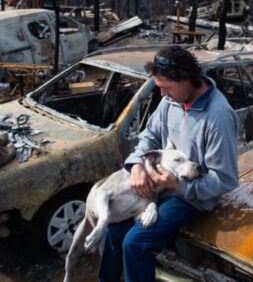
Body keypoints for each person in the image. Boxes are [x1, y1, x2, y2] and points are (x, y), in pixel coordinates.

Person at [98, 45, 239, 282]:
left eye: (166, 88)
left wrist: (178, 186)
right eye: (160, 88)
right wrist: (137, 166)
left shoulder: (218, 116)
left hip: (190, 197)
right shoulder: (171, 101)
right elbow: (148, 137)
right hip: (161, 185)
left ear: (186, 78)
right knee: (112, 232)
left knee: (135, 243)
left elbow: (225, 179)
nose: (162, 94)